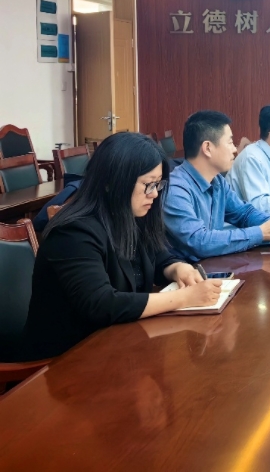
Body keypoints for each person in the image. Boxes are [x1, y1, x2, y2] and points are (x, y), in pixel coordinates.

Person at [23, 133, 223, 360]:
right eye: (148, 184)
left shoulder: (129, 215)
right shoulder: (73, 232)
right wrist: (184, 298)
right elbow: (101, 303)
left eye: (158, 184)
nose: (155, 194)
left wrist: (178, 268)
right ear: (112, 182)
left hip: (117, 344)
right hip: (65, 359)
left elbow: (158, 257)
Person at [163, 110, 270, 261]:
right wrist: (262, 232)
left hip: (213, 265)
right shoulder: (176, 189)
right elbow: (199, 241)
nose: (234, 150)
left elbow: (243, 213)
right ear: (207, 148)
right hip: (187, 272)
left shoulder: (217, 181)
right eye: (230, 142)